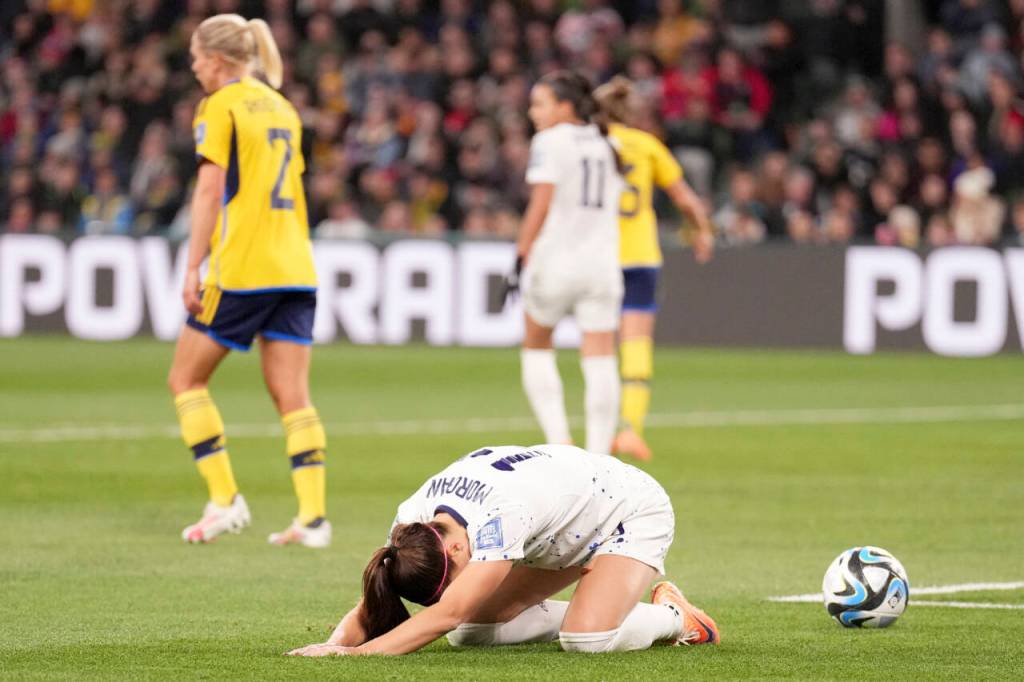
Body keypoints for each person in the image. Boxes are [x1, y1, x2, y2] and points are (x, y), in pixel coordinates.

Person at [286, 444, 719, 656]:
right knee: (471, 633)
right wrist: (333, 644)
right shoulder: (411, 522)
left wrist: (359, 654)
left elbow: (448, 613)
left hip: (627, 510)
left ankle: (676, 617)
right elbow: (376, 594)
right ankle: (594, 605)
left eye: (449, 583)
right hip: (561, 525)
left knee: (586, 639)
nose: (453, 592)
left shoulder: (499, 518)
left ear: (456, 547)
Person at [166, 14, 330, 548]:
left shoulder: (220, 105)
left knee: (185, 380)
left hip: (244, 267)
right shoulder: (282, 105)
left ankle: (224, 500)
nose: (193, 66)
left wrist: (193, 265)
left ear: (216, 60)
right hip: (295, 267)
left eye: (196, 57)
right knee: (293, 396)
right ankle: (313, 519)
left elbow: (210, 190)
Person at [594, 76, 715, 461]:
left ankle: (598, 431)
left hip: (599, 256)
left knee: (599, 347)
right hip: (641, 256)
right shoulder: (647, 145)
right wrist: (702, 233)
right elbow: (686, 199)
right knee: (636, 343)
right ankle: (631, 429)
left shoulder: (591, 145)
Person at [509, 71, 625, 456]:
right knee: (601, 356)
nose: (533, 112)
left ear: (565, 106)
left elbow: (541, 202)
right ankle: (600, 456)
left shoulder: (550, 141)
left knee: (536, 345)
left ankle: (559, 442)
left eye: (540, 104)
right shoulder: (609, 142)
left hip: (557, 260)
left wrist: (521, 252)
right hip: (603, 264)